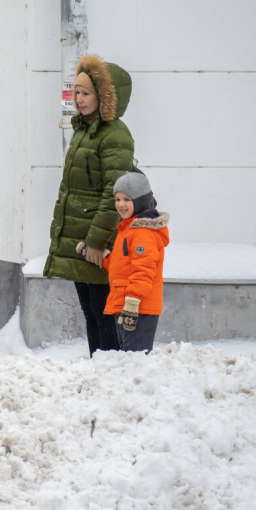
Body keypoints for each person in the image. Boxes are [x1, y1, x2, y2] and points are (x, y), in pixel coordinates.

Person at [44, 55, 135, 354]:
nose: (78, 99)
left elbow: (115, 192)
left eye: (86, 93)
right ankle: (100, 366)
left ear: (104, 97)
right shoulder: (84, 130)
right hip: (81, 239)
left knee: (104, 311)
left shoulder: (114, 135)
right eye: (76, 92)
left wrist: (97, 242)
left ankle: (110, 370)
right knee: (91, 311)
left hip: (98, 243)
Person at [97, 172, 168, 352]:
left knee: (136, 359)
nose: (121, 204)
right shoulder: (128, 228)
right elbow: (120, 265)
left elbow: (144, 269)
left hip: (138, 309)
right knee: (129, 357)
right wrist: (101, 256)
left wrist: (132, 302)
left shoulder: (143, 232)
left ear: (140, 200)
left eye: (127, 199)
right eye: (118, 199)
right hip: (126, 306)